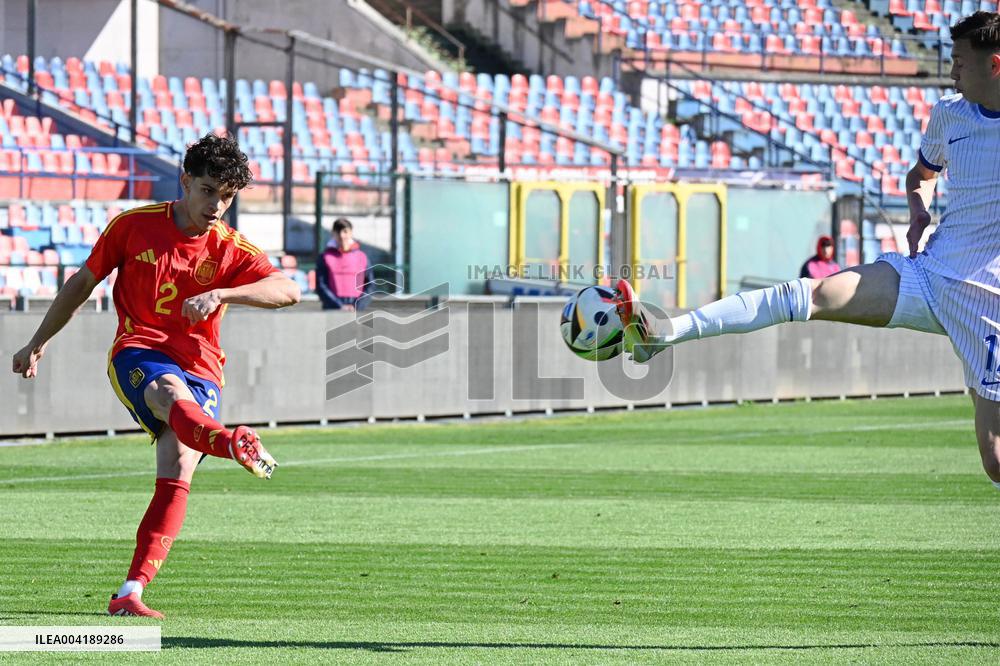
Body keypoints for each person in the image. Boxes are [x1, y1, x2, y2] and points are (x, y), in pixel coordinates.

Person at [616, 11, 1000, 488]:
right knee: (811, 294)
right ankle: (662, 333)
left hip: (989, 304)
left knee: (995, 461)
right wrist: (918, 208)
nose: (952, 71)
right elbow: (921, 175)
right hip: (930, 275)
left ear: (994, 65)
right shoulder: (949, 113)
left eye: (960, 61)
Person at [11, 133, 301, 619]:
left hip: (203, 369)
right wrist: (38, 340)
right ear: (185, 181)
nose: (216, 206)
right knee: (169, 391)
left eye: (227, 197)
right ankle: (230, 443)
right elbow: (82, 282)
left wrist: (224, 294)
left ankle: (130, 591)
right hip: (139, 352)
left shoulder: (230, 248)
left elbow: (288, 290)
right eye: (207, 191)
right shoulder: (134, 226)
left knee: (178, 463)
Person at [315, 217, 373, 311]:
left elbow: (370, 285)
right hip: (332, 309)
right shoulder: (325, 257)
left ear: (351, 233)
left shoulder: (362, 257)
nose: (342, 235)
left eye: (345, 231)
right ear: (333, 234)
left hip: (357, 309)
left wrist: (358, 305)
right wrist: (339, 306)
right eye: (338, 232)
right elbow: (321, 285)